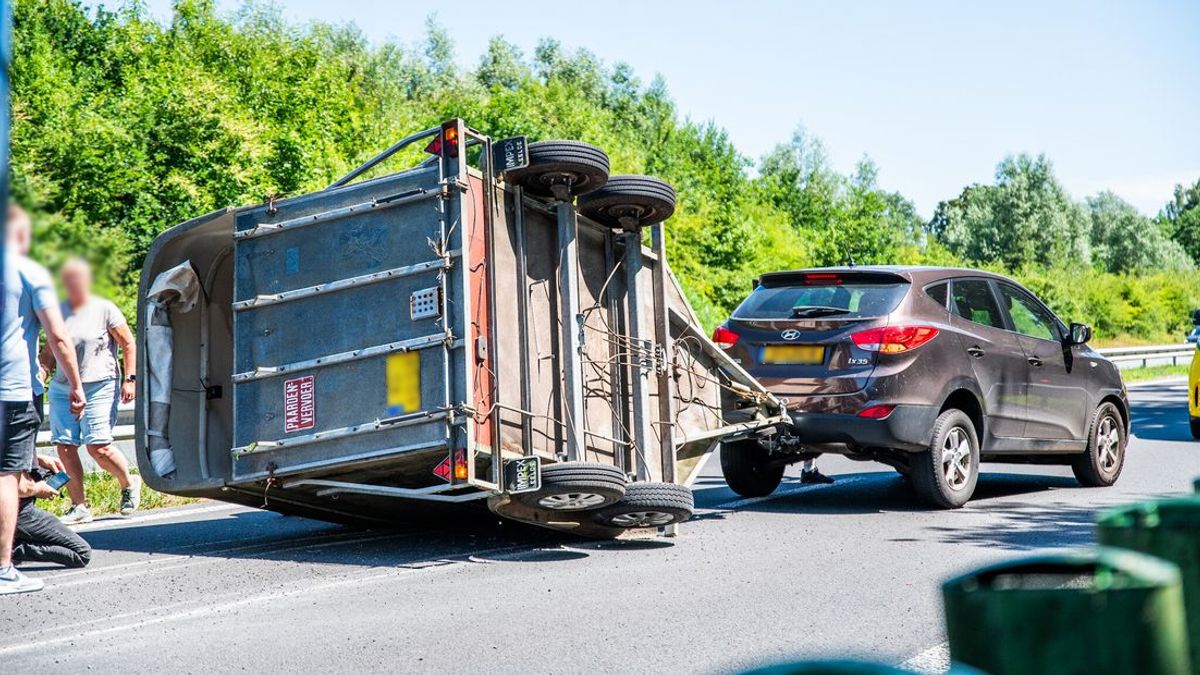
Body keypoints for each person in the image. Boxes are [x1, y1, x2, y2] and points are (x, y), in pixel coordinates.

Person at [1, 205, 87, 595]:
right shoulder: (29, 272)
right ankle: (5, 564)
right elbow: (59, 337)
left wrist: (34, 461)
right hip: (14, 386)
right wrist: (75, 384)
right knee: (7, 477)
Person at [40, 257, 140, 525]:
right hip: (62, 388)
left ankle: (129, 484)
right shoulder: (56, 311)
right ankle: (79, 505)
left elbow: (129, 343)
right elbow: (51, 351)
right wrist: (42, 373)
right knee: (65, 446)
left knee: (98, 447)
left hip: (99, 383)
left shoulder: (104, 308)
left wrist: (130, 379)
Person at [13, 454, 91, 568]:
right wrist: (37, 488)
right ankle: (10, 550)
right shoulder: (14, 435)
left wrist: (37, 458)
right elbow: (12, 485)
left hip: (17, 508)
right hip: (19, 511)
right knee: (81, 553)